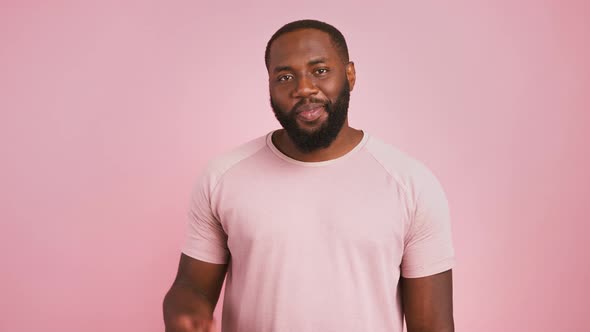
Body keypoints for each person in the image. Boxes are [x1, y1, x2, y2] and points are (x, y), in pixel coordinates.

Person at [163, 19, 455, 332]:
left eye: (320, 70)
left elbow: (433, 324)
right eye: (285, 76)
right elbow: (192, 286)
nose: (303, 88)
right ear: (270, 86)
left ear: (350, 75)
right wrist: (185, 311)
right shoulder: (222, 176)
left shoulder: (411, 183)